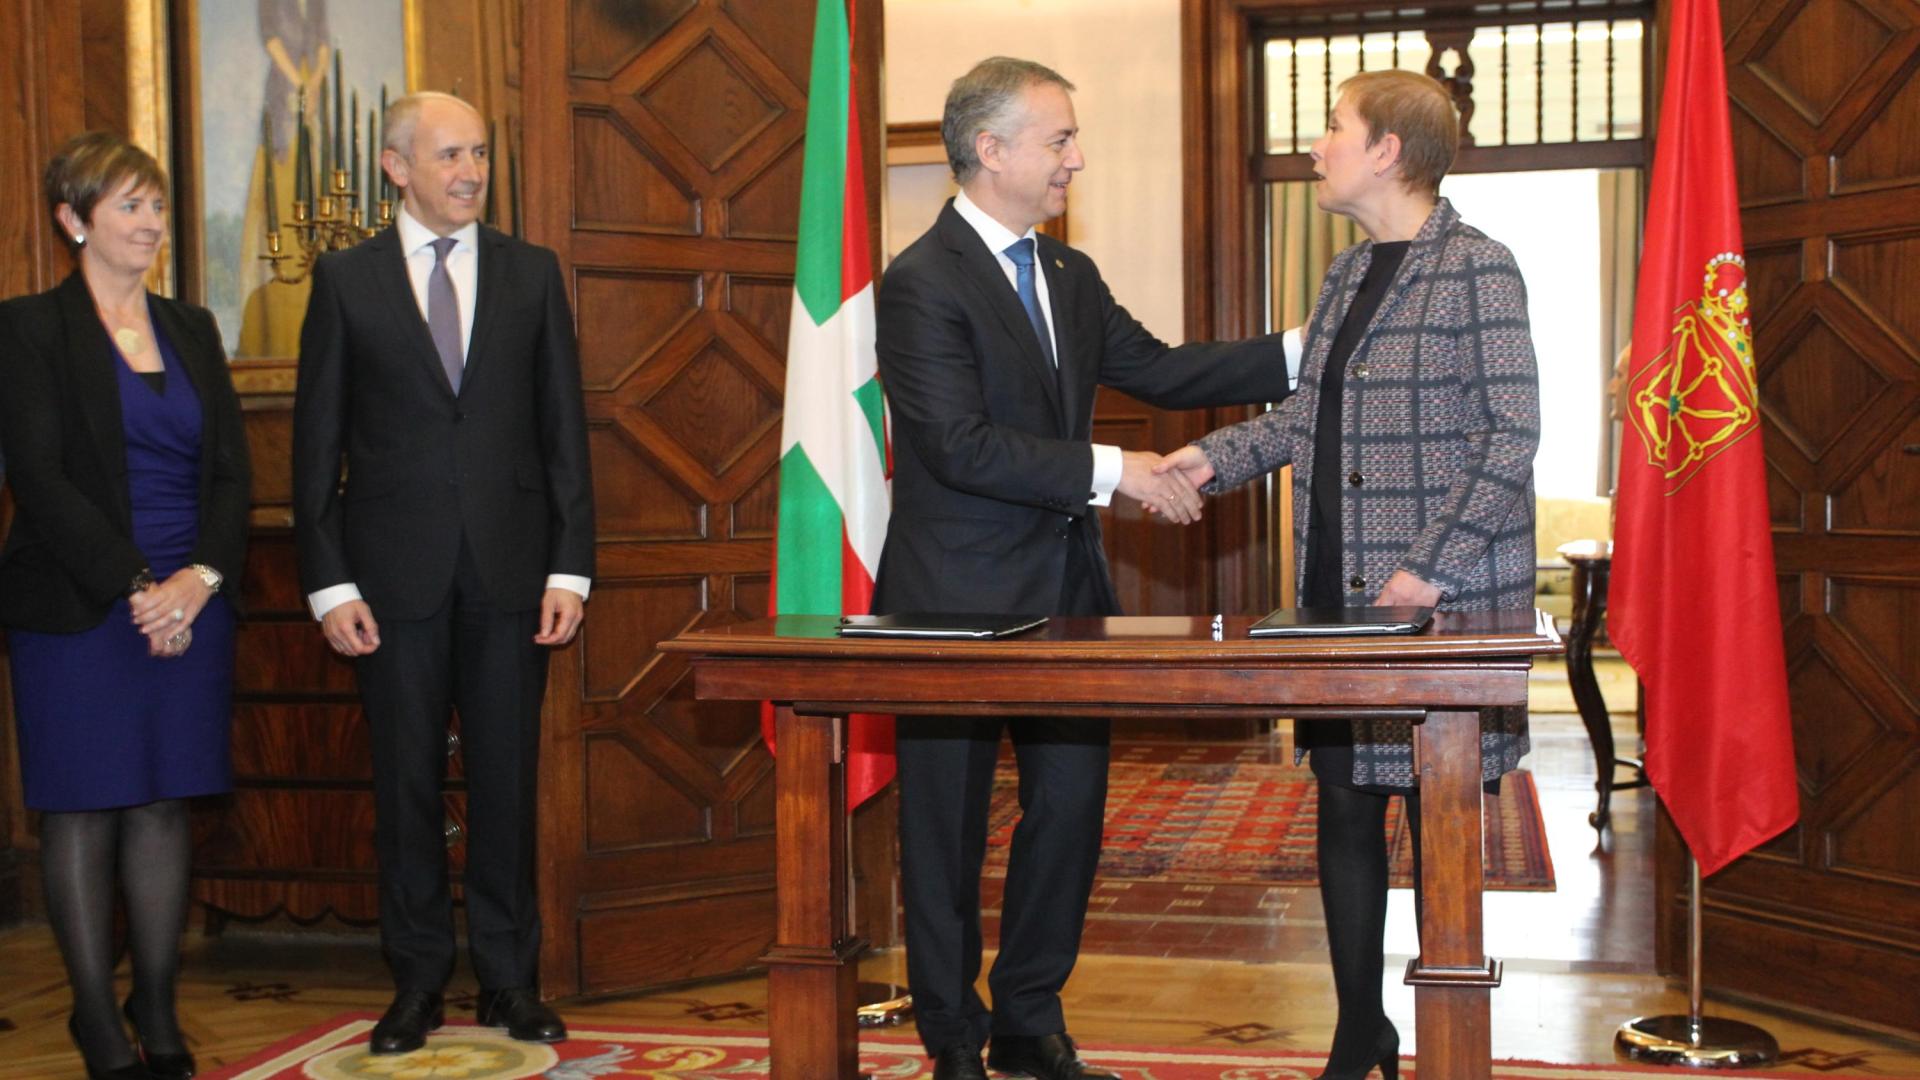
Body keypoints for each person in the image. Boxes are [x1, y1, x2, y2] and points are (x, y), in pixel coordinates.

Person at [874, 57, 1292, 1080]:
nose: (1078, 160)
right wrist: (1118, 472)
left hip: (1064, 600)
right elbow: (956, 445)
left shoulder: (1068, 272)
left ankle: (1027, 1015)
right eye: (1059, 140)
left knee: (1068, 812)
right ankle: (953, 1041)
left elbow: (1164, 370)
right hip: (951, 608)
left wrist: (1308, 348)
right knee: (947, 836)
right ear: (992, 149)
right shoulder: (921, 281)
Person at [1160, 70, 1539, 1079]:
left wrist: (1427, 573)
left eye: (1333, 129)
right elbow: (1303, 421)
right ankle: (1357, 1028)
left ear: (1386, 152)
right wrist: (1211, 461)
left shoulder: (1480, 268)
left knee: (1435, 812)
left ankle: (1447, 1033)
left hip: (1429, 606)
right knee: (1341, 803)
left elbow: (1512, 439)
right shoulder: (1341, 275)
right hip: (1337, 591)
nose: (1315, 145)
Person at [291, 90, 594, 1054]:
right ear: (397, 167)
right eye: (450, 155)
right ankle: (416, 983)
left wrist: (571, 570)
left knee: (507, 788)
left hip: (512, 578)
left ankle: (511, 981)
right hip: (389, 586)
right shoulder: (343, 281)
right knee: (406, 789)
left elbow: (563, 437)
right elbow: (316, 450)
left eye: (479, 155)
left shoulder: (532, 274)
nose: (471, 172)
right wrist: (330, 583)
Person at [0, 131, 253, 1080]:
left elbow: (231, 472)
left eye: (155, 206)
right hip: (78, 603)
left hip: (193, 600)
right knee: (82, 809)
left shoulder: (192, 326)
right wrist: (139, 587)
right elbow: (41, 477)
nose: (150, 224)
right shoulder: (26, 328)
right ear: (74, 221)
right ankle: (95, 1019)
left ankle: (156, 1001)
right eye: (128, 207)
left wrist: (201, 580)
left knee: (161, 805)